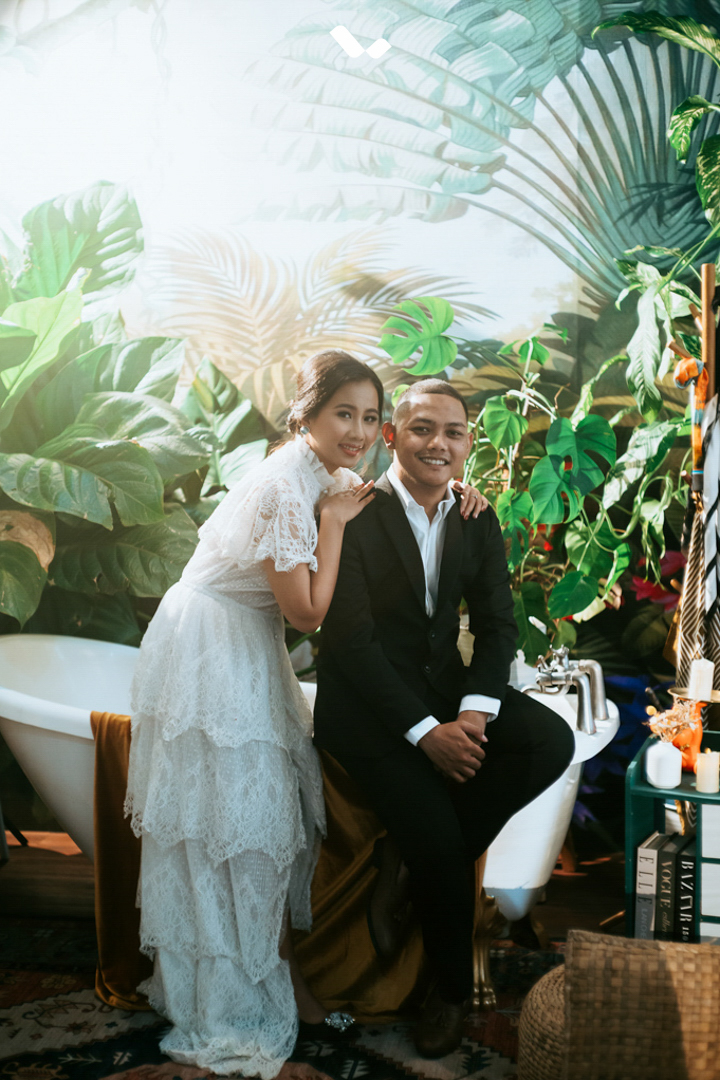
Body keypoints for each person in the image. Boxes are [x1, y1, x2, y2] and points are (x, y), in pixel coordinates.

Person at [124, 351, 486, 1078]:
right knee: (234, 828)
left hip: (247, 644)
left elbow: (390, 492)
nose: (358, 432)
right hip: (211, 644)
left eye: (369, 417)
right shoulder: (286, 491)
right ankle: (225, 996)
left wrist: (457, 490)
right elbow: (307, 613)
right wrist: (333, 522)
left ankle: (287, 982)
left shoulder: (324, 472)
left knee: (272, 827)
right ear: (307, 417)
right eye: (342, 414)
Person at [313, 378, 576, 1060]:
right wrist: (427, 734)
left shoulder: (474, 516)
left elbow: (497, 626)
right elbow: (351, 644)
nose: (439, 443)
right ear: (392, 437)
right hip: (366, 709)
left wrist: (473, 716)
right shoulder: (353, 515)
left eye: (453, 432)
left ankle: (401, 863)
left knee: (550, 740)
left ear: (467, 443)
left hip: (441, 690)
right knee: (436, 835)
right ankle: (451, 991)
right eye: (422, 428)